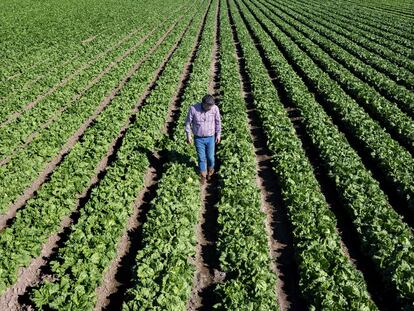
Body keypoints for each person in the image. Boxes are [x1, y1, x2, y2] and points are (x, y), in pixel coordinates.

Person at [185, 94, 221, 184]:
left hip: (210, 137)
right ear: (203, 104)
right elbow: (187, 123)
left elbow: (218, 122)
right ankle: (203, 175)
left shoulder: (215, 108)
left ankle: (210, 172)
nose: (210, 108)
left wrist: (218, 134)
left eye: (211, 106)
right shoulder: (193, 109)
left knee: (210, 157)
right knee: (201, 158)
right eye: (208, 106)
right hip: (198, 138)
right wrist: (188, 135)